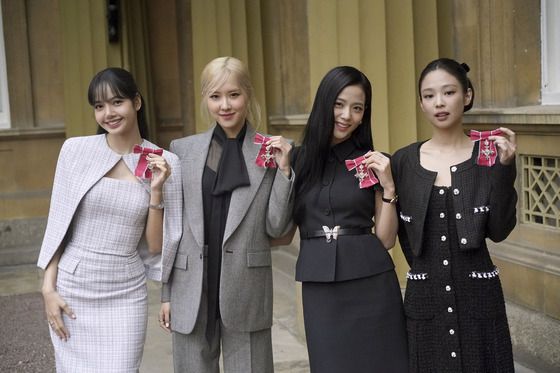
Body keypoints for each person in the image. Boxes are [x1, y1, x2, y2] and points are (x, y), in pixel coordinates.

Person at [37, 67, 182, 372]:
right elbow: (58, 226)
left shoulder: (165, 162)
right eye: (99, 106)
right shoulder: (75, 151)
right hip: (73, 288)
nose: (108, 113)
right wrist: (48, 290)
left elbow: (156, 246)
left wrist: (156, 191)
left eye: (117, 102)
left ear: (137, 102)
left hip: (125, 293)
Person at [158, 56, 294, 372]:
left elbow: (276, 227)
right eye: (215, 96)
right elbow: (172, 228)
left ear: (247, 94)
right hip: (191, 285)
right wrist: (167, 293)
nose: (225, 105)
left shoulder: (273, 150)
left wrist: (285, 171)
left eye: (233, 94)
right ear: (205, 98)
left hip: (247, 287)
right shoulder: (182, 150)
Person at [391, 58, 517, 372]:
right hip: (425, 297)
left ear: (468, 95)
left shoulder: (486, 155)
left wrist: (504, 168)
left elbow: (499, 230)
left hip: (478, 295)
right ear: (421, 103)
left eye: (448, 92)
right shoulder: (404, 161)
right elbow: (402, 236)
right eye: (429, 95)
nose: (439, 103)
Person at [290, 66, 409, 372]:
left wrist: (389, 187)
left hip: (372, 283)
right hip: (320, 287)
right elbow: (278, 227)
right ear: (324, 103)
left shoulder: (373, 162)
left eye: (357, 108)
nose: (347, 116)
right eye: (339, 104)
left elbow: (385, 240)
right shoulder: (296, 160)